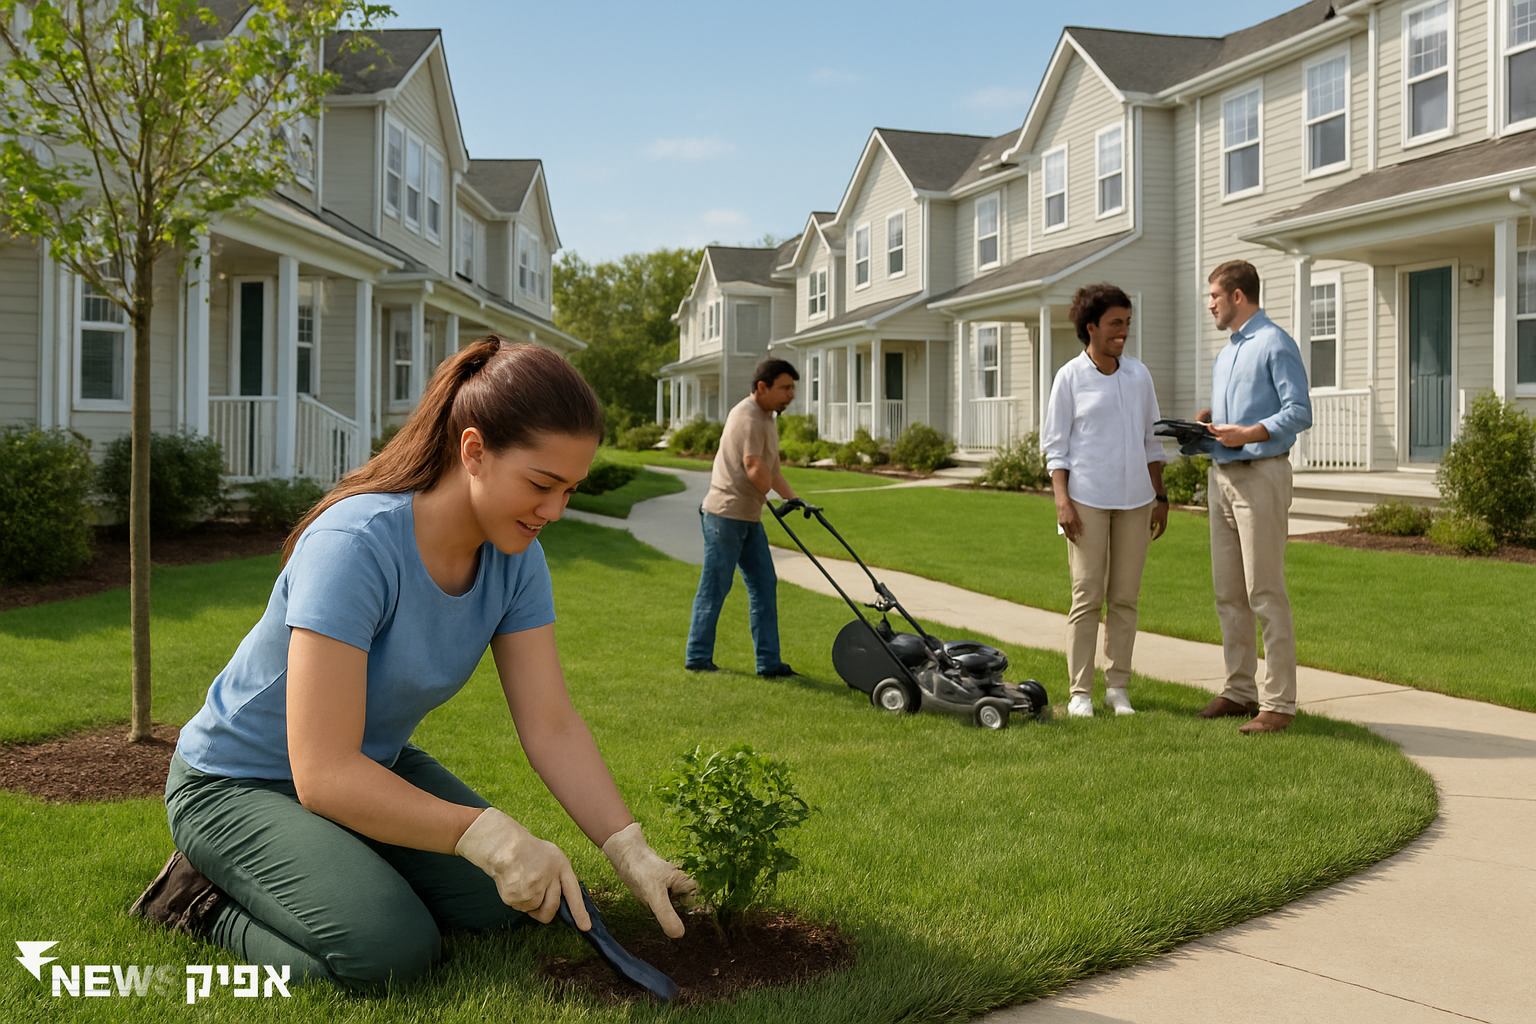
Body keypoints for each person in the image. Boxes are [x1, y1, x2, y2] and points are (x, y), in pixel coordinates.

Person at [131, 339, 698, 990]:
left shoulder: (517, 561)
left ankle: (340, 861)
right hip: (238, 783)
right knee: (389, 950)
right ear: (473, 451)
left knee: (511, 905)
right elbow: (322, 772)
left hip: (367, 768)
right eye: (541, 485)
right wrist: (484, 834)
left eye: (570, 489)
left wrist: (629, 847)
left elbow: (552, 725)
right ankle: (195, 900)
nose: (555, 511)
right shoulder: (354, 545)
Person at [1194, 260, 1312, 734]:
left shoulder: (1275, 343)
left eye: (1215, 297)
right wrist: (1207, 424)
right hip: (1221, 477)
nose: (1210, 305)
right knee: (1228, 594)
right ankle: (1239, 690)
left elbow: (1299, 411)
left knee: (1264, 591)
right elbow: (1235, 420)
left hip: (1261, 476)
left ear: (1238, 296)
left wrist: (1249, 432)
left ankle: (1279, 703)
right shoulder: (1227, 353)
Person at [1042, 284, 1169, 718]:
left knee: (1125, 598)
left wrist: (1160, 495)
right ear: (1091, 326)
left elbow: (1152, 441)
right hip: (1086, 502)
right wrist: (1062, 501)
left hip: (1136, 502)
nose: (1123, 331)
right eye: (1116, 323)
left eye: (1127, 323)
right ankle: (1080, 692)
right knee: (1087, 595)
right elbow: (1056, 448)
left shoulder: (1139, 376)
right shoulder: (1069, 377)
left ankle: (1118, 689)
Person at [684, 358, 801, 677]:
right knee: (715, 586)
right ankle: (697, 657)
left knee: (764, 585)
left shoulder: (768, 417)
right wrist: (771, 499)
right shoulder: (747, 415)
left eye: (792, 388)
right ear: (762, 387)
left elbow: (772, 470)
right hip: (724, 516)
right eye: (785, 388)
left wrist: (795, 500)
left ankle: (769, 664)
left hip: (748, 518)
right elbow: (753, 467)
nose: (791, 394)